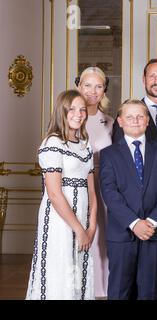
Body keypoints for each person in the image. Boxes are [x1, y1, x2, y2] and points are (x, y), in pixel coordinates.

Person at [112, 58, 157, 300]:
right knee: (127, 285)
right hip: (131, 215)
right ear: (144, 80)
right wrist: (137, 220)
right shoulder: (127, 115)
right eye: (152, 76)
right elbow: (119, 172)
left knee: (156, 281)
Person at [99, 99, 157, 300]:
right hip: (122, 234)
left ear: (147, 121)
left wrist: (151, 222)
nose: (135, 120)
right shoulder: (108, 154)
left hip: (154, 233)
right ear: (120, 121)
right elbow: (109, 192)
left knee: (150, 291)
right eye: (129, 117)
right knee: (119, 291)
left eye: (140, 116)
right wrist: (134, 223)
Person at [26, 90, 97, 300]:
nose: (78, 114)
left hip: (83, 220)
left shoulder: (85, 144)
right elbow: (55, 194)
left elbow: (92, 190)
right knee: (59, 271)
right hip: (59, 222)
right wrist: (78, 229)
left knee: (78, 272)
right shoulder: (53, 143)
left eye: (82, 109)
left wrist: (91, 227)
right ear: (62, 112)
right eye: (72, 109)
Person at [76, 66, 113, 298]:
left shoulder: (110, 122)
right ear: (79, 87)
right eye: (87, 85)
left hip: (105, 189)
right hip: (78, 188)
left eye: (98, 86)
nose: (92, 91)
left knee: (104, 240)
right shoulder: (68, 118)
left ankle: (103, 289)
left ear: (104, 91)